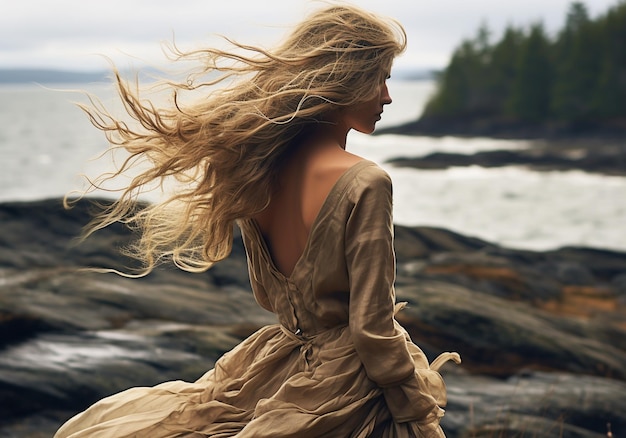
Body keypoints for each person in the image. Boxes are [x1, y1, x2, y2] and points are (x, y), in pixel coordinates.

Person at [55, 3, 460, 437]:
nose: (387, 96)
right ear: (345, 79)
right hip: (348, 388)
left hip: (276, 364)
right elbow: (372, 328)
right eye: (380, 78)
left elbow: (271, 297)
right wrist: (413, 405)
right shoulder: (365, 181)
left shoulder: (253, 171)